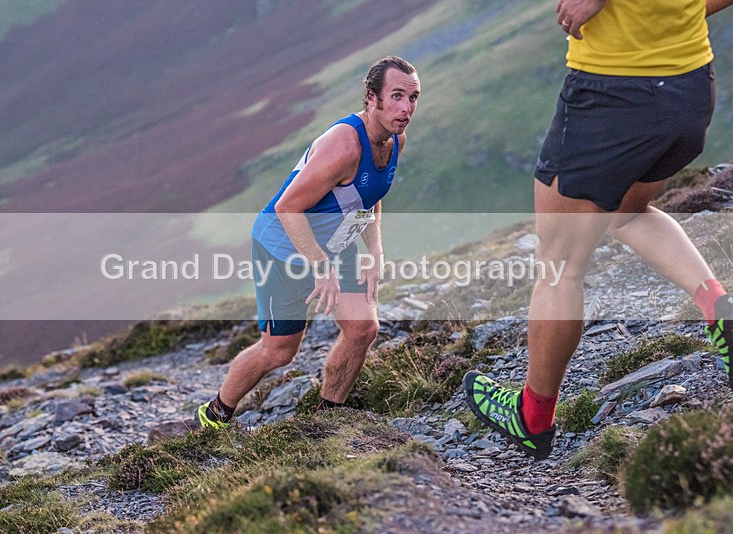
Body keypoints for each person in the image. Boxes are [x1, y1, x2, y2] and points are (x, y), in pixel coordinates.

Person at [463, 0, 733, 460]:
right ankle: (719, 309)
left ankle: (532, 416)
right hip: (688, 88)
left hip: (613, 96)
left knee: (559, 267)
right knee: (625, 213)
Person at [195, 56, 421, 429]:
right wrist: (320, 266)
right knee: (279, 352)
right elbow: (287, 208)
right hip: (282, 245)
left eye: (413, 97)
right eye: (396, 96)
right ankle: (217, 413)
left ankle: (327, 418)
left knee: (364, 328)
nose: (406, 107)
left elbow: (370, 196)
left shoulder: (396, 139)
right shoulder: (344, 145)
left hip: (333, 242)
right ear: (371, 98)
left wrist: (375, 251)